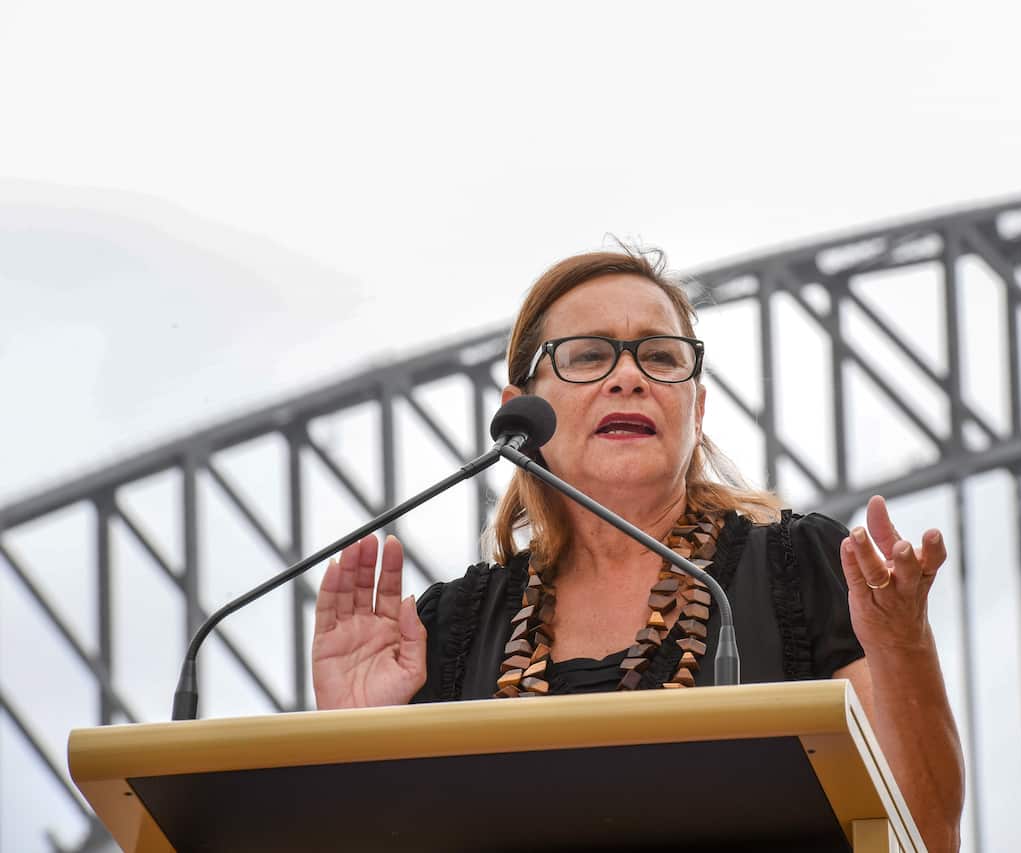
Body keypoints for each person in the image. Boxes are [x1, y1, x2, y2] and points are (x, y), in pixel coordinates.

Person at [311, 248, 964, 851]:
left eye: (660, 356)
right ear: (521, 412)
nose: (628, 376)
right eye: (590, 356)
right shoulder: (448, 631)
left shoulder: (804, 570)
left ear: (697, 409)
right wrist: (352, 749)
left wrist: (902, 645)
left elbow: (926, 835)